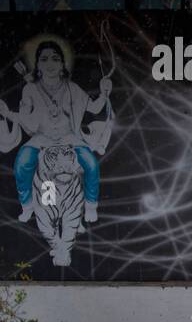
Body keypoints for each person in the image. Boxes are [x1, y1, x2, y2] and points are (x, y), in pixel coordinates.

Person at [0, 38, 111, 223]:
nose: (49, 64)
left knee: (91, 165)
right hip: (42, 138)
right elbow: (25, 117)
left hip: (69, 137)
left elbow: (94, 108)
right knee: (22, 163)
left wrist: (104, 92)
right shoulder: (30, 89)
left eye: (55, 58)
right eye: (44, 59)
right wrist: (11, 113)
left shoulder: (72, 88)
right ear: (37, 65)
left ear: (62, 64)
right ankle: (28, 206)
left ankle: (91, 206)